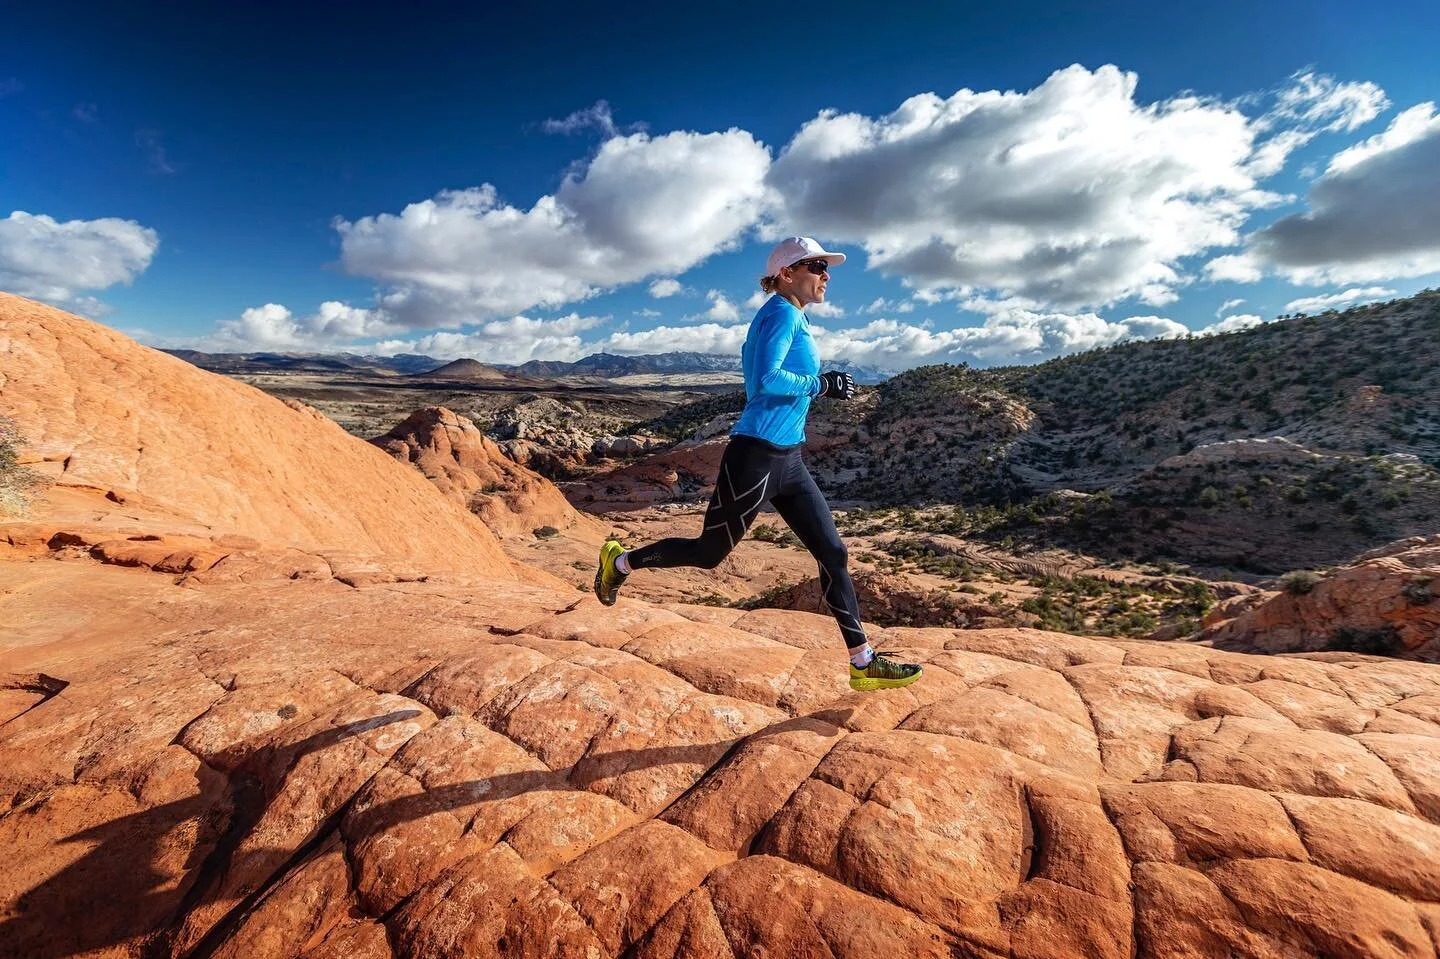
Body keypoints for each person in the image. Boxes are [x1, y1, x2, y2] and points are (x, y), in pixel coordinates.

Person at [594, 236, 922, 692]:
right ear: (786, 274)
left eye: (826, 268)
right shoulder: (780, 314)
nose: (826, 275)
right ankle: (621, 562)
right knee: (709, 554)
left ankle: (862, 663)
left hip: (789, 459)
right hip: (757, 455)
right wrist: (822, 384)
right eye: (816, 267)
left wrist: (821, 385)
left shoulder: (795, 316)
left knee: (833, 553)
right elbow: (767, 380)